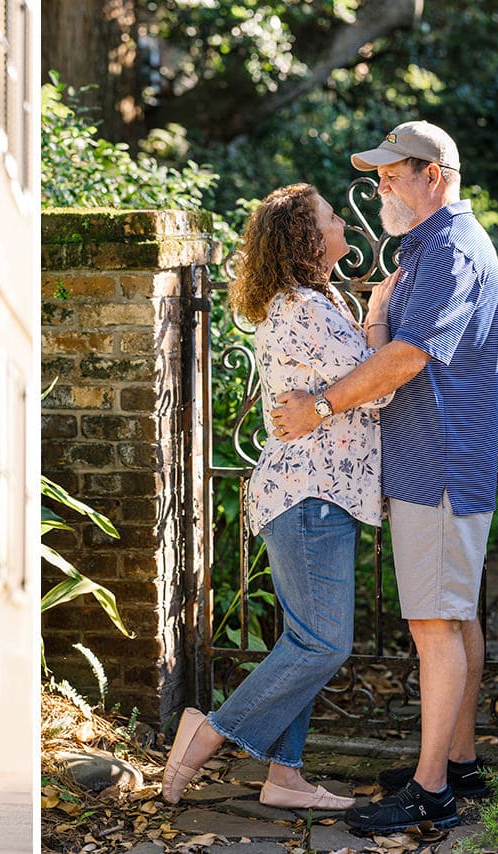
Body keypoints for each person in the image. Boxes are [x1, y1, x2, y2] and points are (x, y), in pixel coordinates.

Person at [271, 120, 498, 833]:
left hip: (439, 465)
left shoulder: (452, 250)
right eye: (376, 178)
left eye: (392, 176)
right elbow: (397, 346)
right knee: (453, 618)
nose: (380, 190)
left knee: (435, 625)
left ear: (433, 176)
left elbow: (408, 359)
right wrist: (377, 320)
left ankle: (432, 793)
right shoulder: (428, 247)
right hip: (431, 463)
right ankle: (458, 763)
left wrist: (319, 406)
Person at [162, 183, 394, 810]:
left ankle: (284, 777)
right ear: (308, 239)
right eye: (331, 217)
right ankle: (208, 733)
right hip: (310, 496)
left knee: (304, 640)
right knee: (323, 643)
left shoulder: (315, 301)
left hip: (313, 494)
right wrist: (379, 316)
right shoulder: (304, 309)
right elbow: (379, 387)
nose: (342, 222)